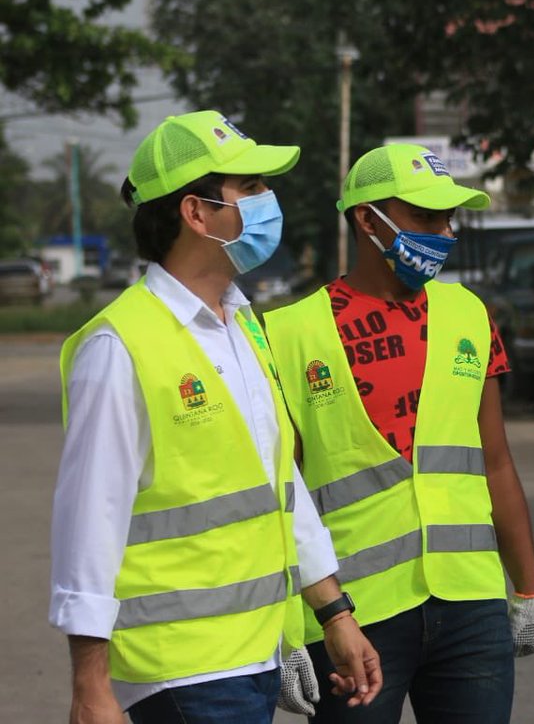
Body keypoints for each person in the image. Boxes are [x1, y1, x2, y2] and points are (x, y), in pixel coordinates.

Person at [50, 110, 383, 724]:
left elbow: (280, 486)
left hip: (253, 656)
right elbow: (88, 523)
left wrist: (334, 614)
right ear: (195, 212)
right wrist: (89, 686)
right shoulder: (119, 344)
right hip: (178, 672)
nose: (267, 200)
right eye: (249, 188)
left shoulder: (243, 325)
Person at [263, 143, 534, 723]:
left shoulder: (467, 313)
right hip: (353, 617)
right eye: (424, 218)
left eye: (448, 218)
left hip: (470, 605)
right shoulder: (289, 334)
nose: (442, 233)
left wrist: (530, 587)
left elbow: (495, 461)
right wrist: (290, 624)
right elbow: (280, 495)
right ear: (367, 219)